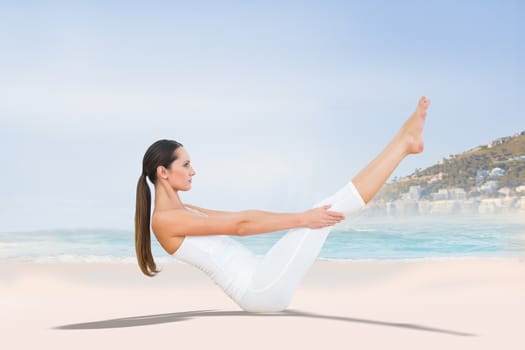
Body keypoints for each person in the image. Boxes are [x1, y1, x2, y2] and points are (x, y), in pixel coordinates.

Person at [135, 96, 431, 312]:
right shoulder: (164, 220)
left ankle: (404, 144)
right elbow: (240, 227)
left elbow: (243, 216)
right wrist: (303, 219)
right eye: (186, 165)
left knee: (324, 210)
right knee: (328, 210)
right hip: (259, 290)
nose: (193, 171)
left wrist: (302, 217)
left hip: (261, 276)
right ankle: (403, 144)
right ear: (163, 172)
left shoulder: (187, 210)